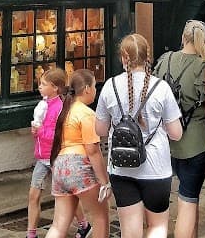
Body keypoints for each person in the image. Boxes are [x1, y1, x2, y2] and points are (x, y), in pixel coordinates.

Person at [95, 33, 183, 238]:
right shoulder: (161, 88)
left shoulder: (110, 86)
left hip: (121, 167)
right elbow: (176, 134)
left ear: (123, 58)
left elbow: (99, 130)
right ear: (148, 57)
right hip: (156, 168)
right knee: (157, 226)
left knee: (130, 230)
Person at [154, 20, 205, 238]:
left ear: (183, 38)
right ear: (202, 40)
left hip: (166, 140)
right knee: (188, 200)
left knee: (179, 199)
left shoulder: (164, 61)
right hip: (196, 142)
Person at [27, 68, 92, 238]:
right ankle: (31, 233)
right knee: (33, 195)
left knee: (67, 196)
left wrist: (40, 131)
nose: (39, 87)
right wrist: (35, 131)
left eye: (43, 84)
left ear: (55, 87)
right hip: (41, 158)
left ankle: (84, 223)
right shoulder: (43, 105)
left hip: (55, 157)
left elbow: (57, 134)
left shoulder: (59, 108)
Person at [45, 69, 109, 238]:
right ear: (87, 88)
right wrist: (104, 182)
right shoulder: (87, 114)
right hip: (79, 167)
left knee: (58, 225)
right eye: (95, 86)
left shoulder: (65, 110)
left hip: (60, 166)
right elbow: (93, 151)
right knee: (101, 216)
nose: (96, 90)